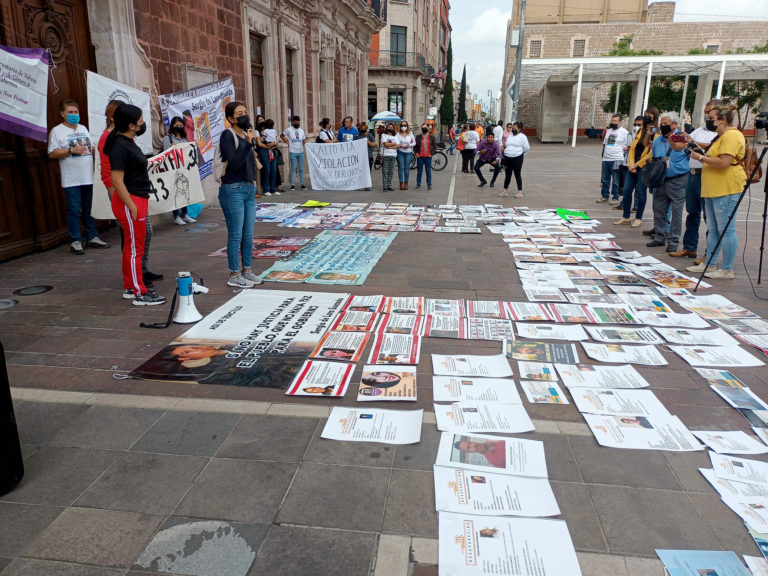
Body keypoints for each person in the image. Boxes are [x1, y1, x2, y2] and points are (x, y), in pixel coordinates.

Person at [104, 104, 165, 305]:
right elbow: (116, 180)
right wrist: (131, 205)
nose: (143, 124)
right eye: (140, 121)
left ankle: (131, 287)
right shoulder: (120, 145)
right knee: (135, 249)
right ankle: (139, 292)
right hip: (130, 200)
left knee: (132, 247)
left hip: (137, 198)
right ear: (131, 125)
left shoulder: (127, 141)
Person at [686, 104, 746, 280]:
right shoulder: (720, 136)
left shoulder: (732, 136)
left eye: (711, 118)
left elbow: (724, 162)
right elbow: (714, 157)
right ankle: (709, 263)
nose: (708, 121)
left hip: (726, 188)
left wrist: (701, 157)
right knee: (713, 229)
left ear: (723, 120)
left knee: (726, 229)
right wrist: (700, 154)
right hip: (712, 188)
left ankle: (727, 269)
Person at [48, 98, 110, 255]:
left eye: (76, 112)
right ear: (62, 114)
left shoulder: (83, 128)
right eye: (70, 112)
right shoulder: (57, 131)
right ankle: (75, 240)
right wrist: (70, 150)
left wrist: (94, 150)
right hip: (71, 180)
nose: (74, 115)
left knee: (89, 209)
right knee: (74, 211)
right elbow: (52, 153)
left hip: (88, 177)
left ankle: (92, 237)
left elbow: (89, 146)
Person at [218, 101, 264, 288]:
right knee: (235, 234)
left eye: (245, 112)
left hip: (248, 189)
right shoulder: (227, 136)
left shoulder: (246, 135)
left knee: (248, 234)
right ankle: (234, 274)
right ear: (231, 118)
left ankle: (247, 270)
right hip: (232, 189)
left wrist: (253, 182)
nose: (244, 115)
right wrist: (248, 144)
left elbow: (249, 163)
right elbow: (234, 163)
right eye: (239, 113)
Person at [672, 99, 720, 259]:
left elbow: (710, 147)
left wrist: (692, 141)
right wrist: (674, 141)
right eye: (705, 112)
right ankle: (689, 247)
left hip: (707, 175)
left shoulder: (720, 133)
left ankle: (709, 254)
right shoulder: (699, 130)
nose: (706, 115)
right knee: (692, 213)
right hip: (692, 175)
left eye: (709, 112)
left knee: (709, 217)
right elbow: (682, 146)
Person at [646, 112, 689, 253]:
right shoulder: (657, 141)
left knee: (676, 212)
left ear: (674, 125)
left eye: (665, 124)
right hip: (660, 180)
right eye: (661, 124)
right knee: (658, 210)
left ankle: (673, 241)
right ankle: (659, 237)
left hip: (678, 179)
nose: (662, 126)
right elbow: (654, 159)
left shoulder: (683, 139)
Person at [614, 116, 654, 228]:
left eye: (639, 124)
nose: (637, 126)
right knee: (626, 190)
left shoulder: (654, 132)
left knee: (641, 192)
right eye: (635, 124)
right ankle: (626, 216)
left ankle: (638, 218)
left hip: (644, 165)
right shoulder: (639, 131)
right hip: (633, 163)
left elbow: (651, 152)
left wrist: (638, 164)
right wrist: (631, 164)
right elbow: (632, 148)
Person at [163, 116, 196, 225]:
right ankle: (176, 216)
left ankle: (185, 214)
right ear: (172, 126)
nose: (179, 127)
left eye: (181, 125)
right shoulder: (168, 138)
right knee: (175, 192)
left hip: (184, 168)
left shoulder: (184, 138)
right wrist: (171, 148)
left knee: (184, 190)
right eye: (177, 125)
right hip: (173, 170)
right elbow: (165, 154)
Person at [597, 114, 630, 204]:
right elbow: (606, 144)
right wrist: (603, 156)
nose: (613, 122)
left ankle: (615, 197)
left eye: (615, 121)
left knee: (616, 179)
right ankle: (605, 196)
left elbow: (629, 144)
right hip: (606, 158)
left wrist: (626, 149)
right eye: (612, 120)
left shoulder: (624, 132)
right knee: (605, 179)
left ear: (620, 122)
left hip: (617, 159)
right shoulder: (609, 131)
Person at [499, 121, 530, 198]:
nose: (513, 129)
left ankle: (520, 192)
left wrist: (521, 154)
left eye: (515, 128)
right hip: (507, 157)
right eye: (512, 128)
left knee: (517, 174)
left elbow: (527, 148)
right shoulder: (510, 136)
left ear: (519, 129)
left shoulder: (522, 137)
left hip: (517, 158)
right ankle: (505, 191)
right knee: (507, 175)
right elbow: (507, 145)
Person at [280, 115, 307, 191]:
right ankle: (292, 184)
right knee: (293, 168)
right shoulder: (289, 130)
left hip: (301, 151)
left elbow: (304, 140)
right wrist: (286, 142)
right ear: (293, 122)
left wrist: (306, 143)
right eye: (296, 122)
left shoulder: (301, 131)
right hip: (293, 151)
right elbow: (281, 135)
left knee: (301, 168)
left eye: (298, 122)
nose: (297, 123)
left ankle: (302, 183)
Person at [255, 118, 279, 196]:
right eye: (259, 120)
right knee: (267, 169)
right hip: (264, 151)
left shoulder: (272, 131)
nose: (261, 121)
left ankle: (273, 189)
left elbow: (276, 140)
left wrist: (274, 144)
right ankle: (266, 189)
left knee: (273, 170)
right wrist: (268, 146)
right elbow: (259, 143)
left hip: (272, 150)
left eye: (262, 120)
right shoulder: (257, 131)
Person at [354, 121, 376, 191]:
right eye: (361, 128)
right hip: (360, 156)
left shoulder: (370, 135)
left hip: (368, 156)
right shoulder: (357, 136)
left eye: (364, 128)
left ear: (366, 128)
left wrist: (368, 142)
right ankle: (359, 185)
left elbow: (374, 144)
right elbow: (353, 145)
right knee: (360, 170)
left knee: (368, 171)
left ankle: (366, 185)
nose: (363, 129)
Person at [414, 122, 436, 190]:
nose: (424, 129)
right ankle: (418, 184)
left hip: (428, 157)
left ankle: (429, 184)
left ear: (428, 128)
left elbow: (434, 147)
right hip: (420, 157)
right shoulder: (418, 137)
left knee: (428, 171)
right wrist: (416, 153)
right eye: (423, 128)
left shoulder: (432, 137)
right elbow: (415, 147)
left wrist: (431, 154)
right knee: (419, 171)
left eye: (425, 127)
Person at [395, 121, 415, 190]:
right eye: (402, 125)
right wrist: (400, 145)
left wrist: (410, 145)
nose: (403, 127)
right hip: (400, 152)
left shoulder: (410, 133)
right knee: (401, 168)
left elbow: (414, 142)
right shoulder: (398, 134)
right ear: (400, 126)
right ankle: (401, 183)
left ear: (407, 126)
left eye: (405, 125)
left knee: (407, 168)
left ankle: (406, 183)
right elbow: (395, 142)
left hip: (408, 152)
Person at [379, 122, 398, 191]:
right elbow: (385, 144)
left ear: (393, 128)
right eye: (389, 127)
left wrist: (391, 146)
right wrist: (394, 143)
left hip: (393, 155)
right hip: (385, 155)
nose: (390, 128)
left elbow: (398, 145)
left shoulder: (395, 136)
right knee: (385, 171)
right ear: (386, 128)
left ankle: (389, 185)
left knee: (391, 172)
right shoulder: (383, 135)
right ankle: (385, 186)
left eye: (391, 127)